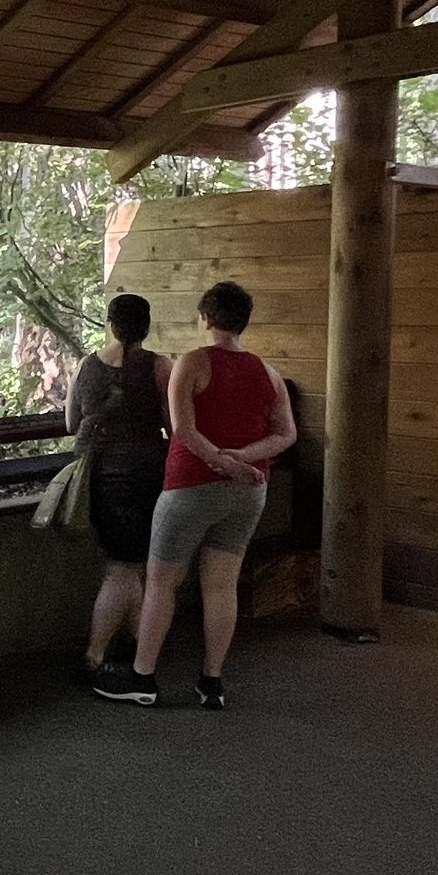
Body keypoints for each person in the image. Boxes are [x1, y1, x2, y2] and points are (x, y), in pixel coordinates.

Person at [97, 280, 295, 709]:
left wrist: (223, 462)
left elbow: (183, 430)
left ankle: (143, 677)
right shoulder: (269, 372)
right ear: (244, 321)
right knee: (222, 585)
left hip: (189, 486)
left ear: (205, 318)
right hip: (249, 491)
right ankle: (212, 680)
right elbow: (285, 434)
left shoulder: (192, 363)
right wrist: (243, 460)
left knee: (162, 583)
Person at [66, 293, 172, 677]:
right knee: (125, 568)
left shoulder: (85, 366)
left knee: (127, 564)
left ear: (110, 324)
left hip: (98, 472)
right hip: (145, 473)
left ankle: (142, 646)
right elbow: (173, 424)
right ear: (146, 326)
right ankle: (95, 654)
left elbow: (70, 422)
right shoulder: (159, 366)